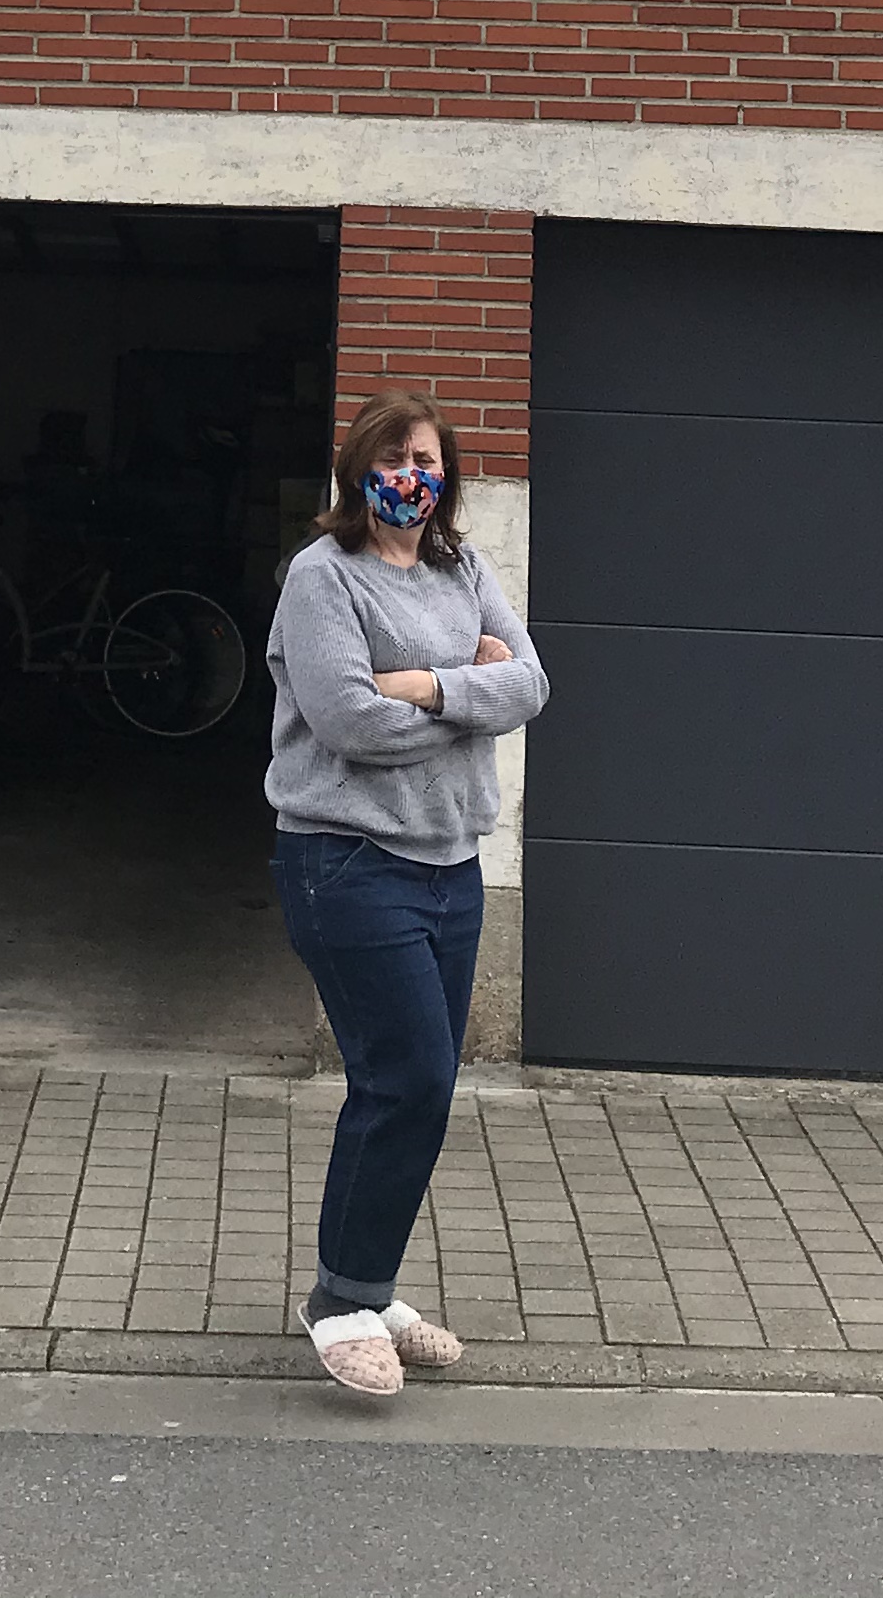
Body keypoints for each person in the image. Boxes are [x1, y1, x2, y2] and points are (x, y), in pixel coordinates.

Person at [263, 386, 547, 1397]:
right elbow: (348, 722)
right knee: (407, 1080)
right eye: (392, 460)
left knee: (422, 1090)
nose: (409, 478)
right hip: (346, 863)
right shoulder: (322, 578)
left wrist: (424, 685)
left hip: (450, 866)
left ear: (447, 475)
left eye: (425, 461)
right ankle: (341, 1303)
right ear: (358, 471)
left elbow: (531, 685)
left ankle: (370, 1288)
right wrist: (472, 689)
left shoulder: (462, 568)